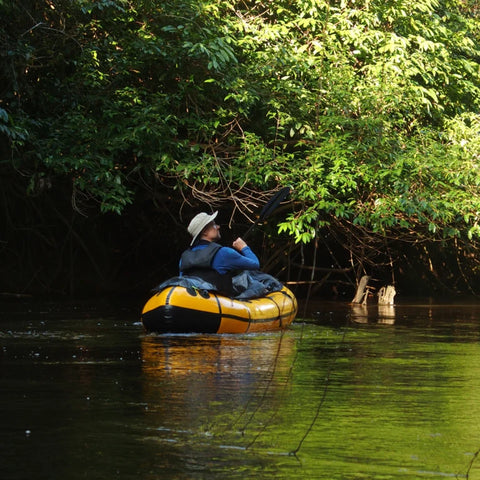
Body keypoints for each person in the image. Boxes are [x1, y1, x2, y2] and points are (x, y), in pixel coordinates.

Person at [179, 211, 260, 296]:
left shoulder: (184, 257)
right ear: (205, 232)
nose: (218, 227)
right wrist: (244, 247)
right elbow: (255, 264)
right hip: (219, 305)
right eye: (214, 225)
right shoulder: (223, 253)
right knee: (259, 283)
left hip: (193, 304)